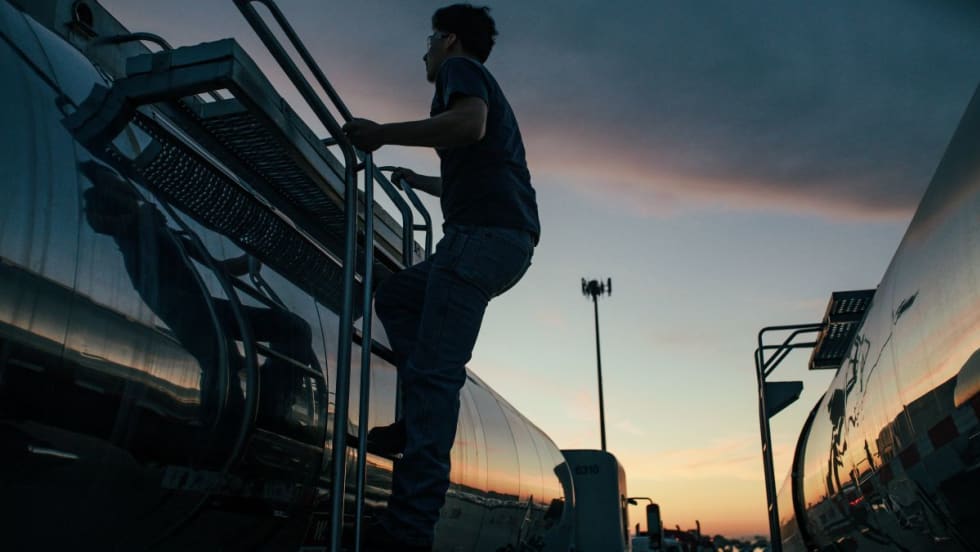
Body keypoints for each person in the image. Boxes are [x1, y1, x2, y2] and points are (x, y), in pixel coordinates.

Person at [342, 4, 540, 550]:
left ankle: (408, 532)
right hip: (496, 239)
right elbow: (479, 161)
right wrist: (424, 182)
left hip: (480, 240)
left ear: (449, 39)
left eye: (430, 40)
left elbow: (467, 125)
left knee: (436, 376)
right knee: (398, 295)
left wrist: (381, 134)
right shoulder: (483, 90)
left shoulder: (462, 70)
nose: (425, 52)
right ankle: (416, 415)